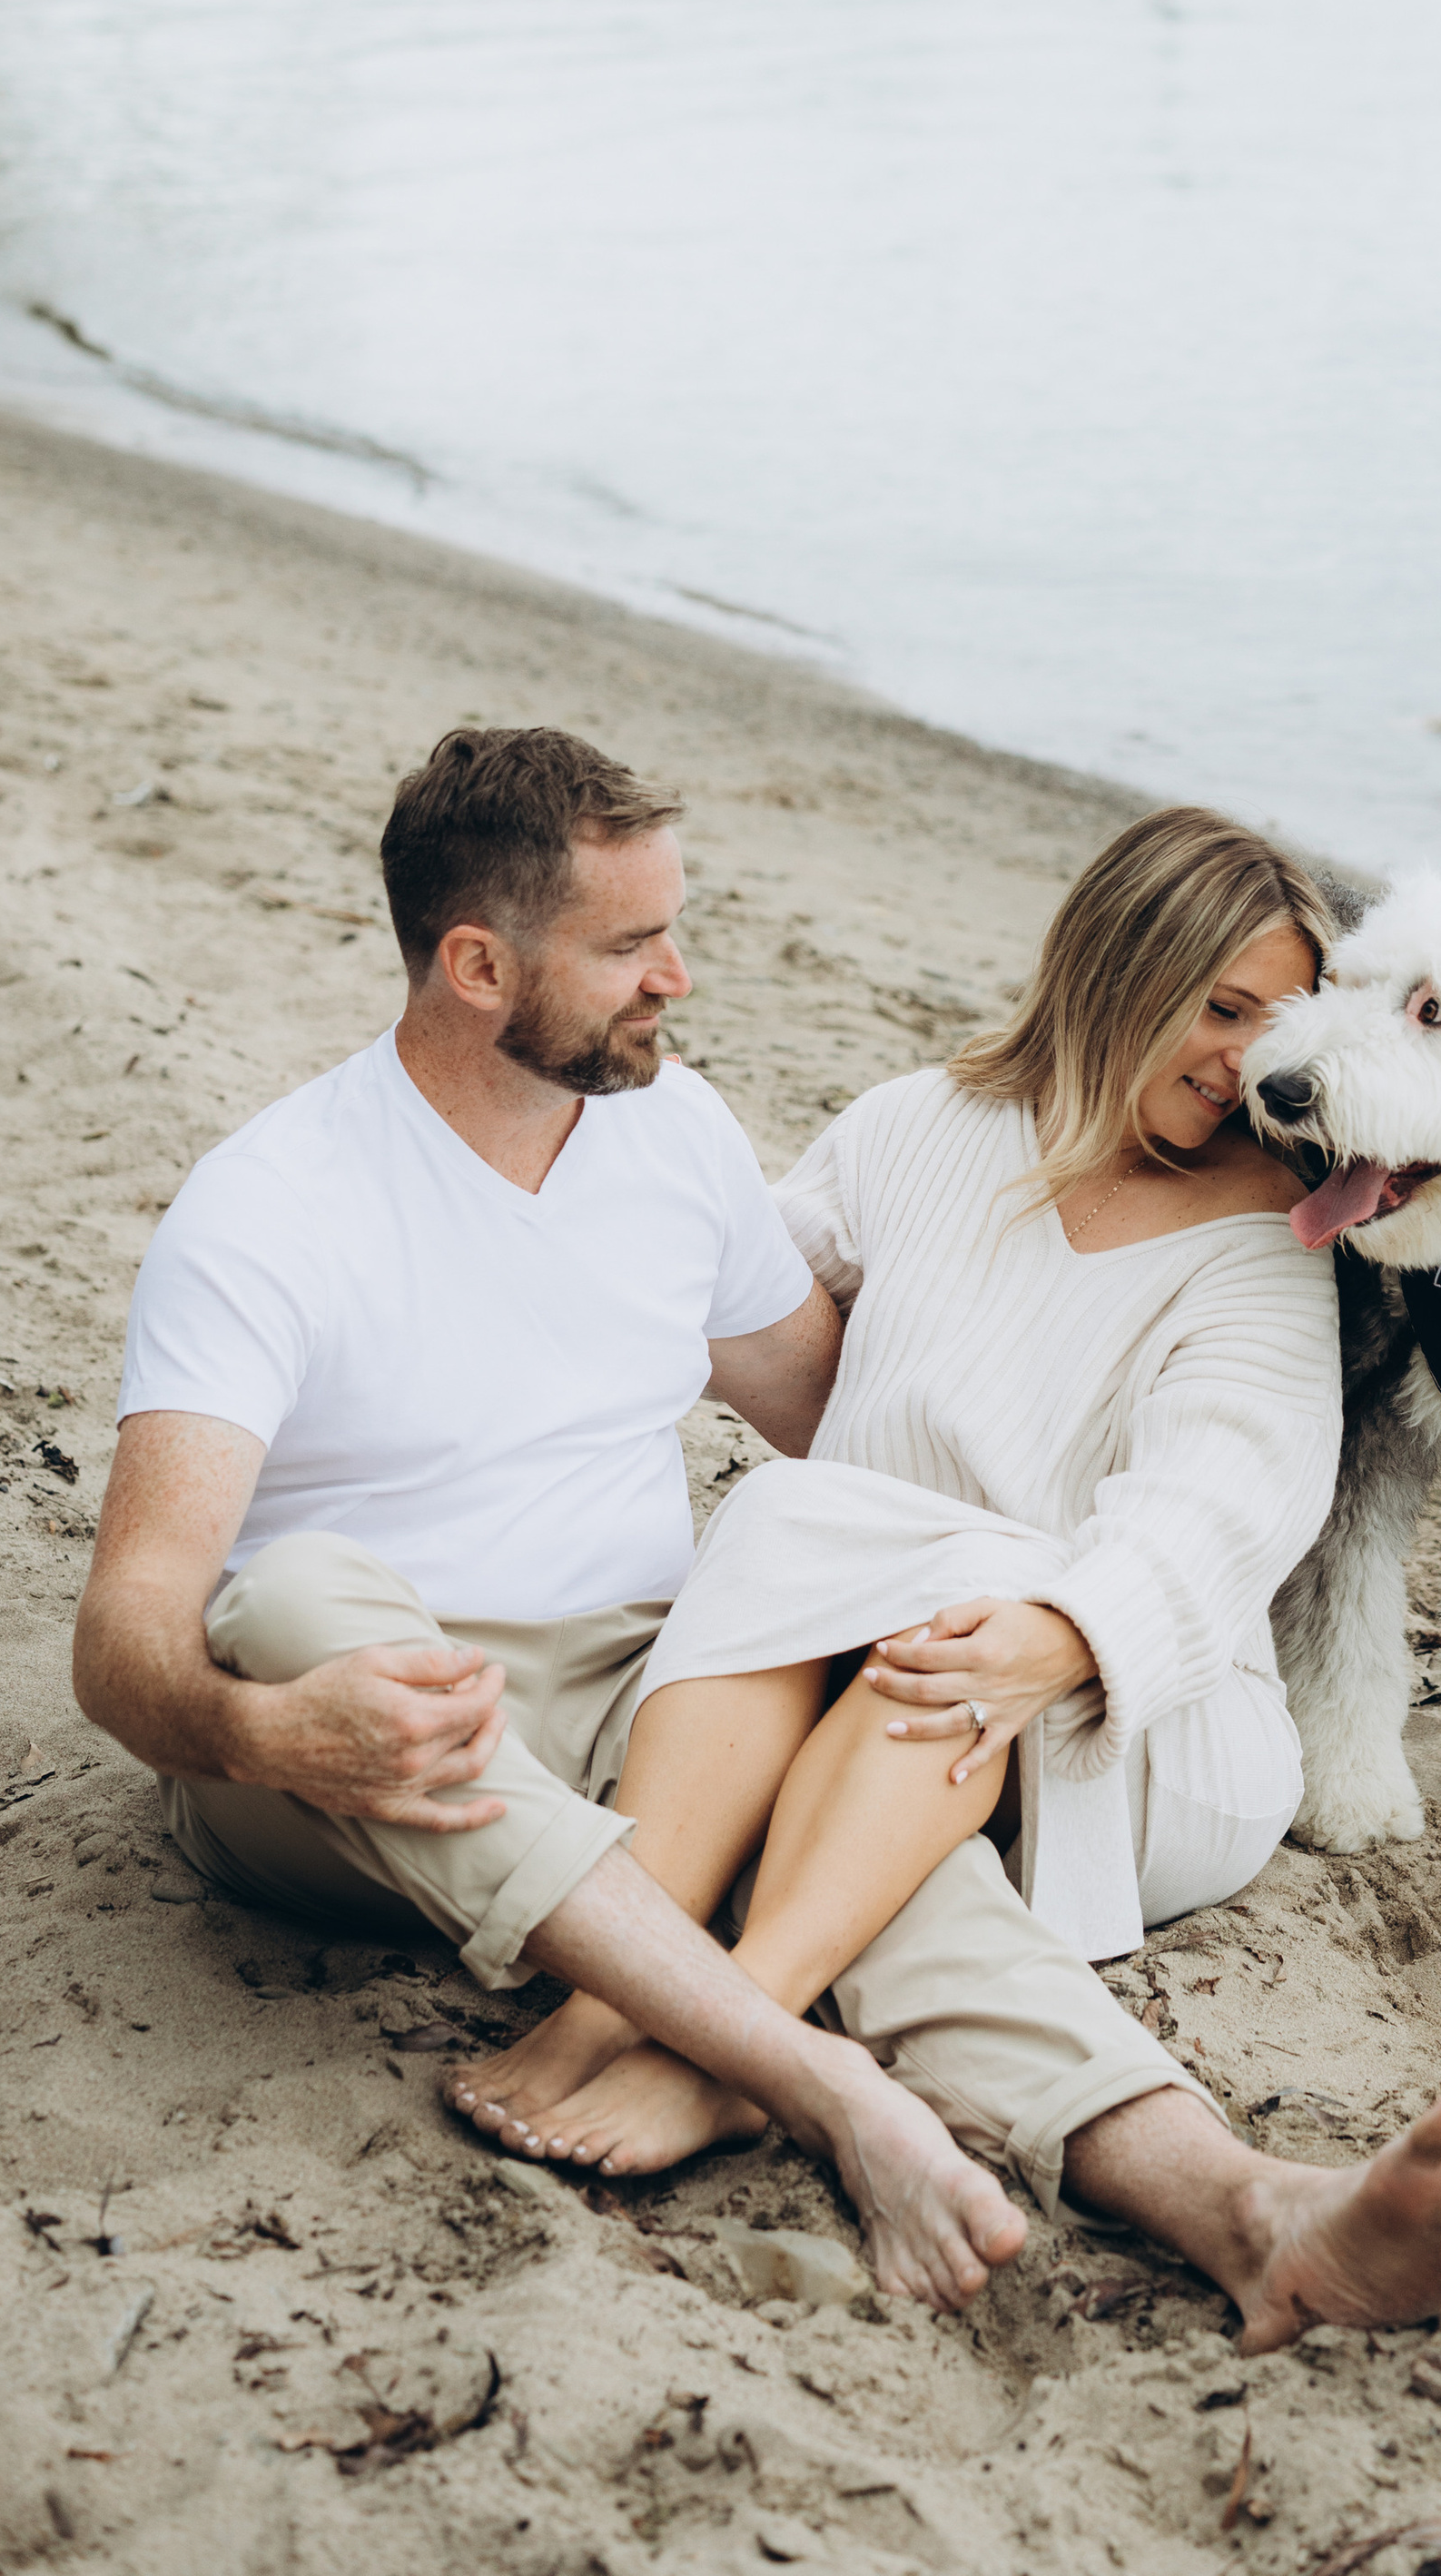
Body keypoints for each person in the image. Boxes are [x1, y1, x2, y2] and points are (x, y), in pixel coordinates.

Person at [72, 725, 1441, 2348]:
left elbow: (842, 1415)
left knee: (871, 1833)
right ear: (478, 965)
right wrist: (267, 1728)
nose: (677, 977)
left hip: (640, 1690)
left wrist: (984, 1633)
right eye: (632, 946)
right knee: (290, 1592)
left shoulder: (676, 1138)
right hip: (358, 1719)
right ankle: (809, 2075)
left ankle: (1243, 2203)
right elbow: (130, 1632)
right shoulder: (271, 1207)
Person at [449, 806, 1345, 2178]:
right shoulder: (921, 1128)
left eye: (1277, 1030)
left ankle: (727, 2032)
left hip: (1138, 1711)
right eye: (1220, 1009)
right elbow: (713, 1291)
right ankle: (623, 1988)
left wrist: (1067, 1630)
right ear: (1115, 967)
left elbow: (1224, 1511)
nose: (1246, 1063)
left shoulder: (1271, 1240)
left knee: (834, 1548)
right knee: (802, 1541)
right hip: (859, 1650)